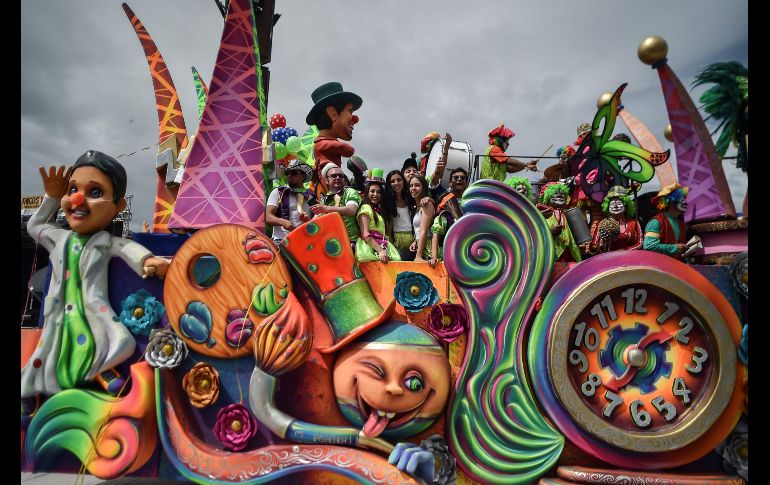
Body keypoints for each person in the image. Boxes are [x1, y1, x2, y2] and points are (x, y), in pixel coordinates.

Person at [22, 151, 170, 418]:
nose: (78, 199)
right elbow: (35, 226)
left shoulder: (104, 242)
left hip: (91, 309)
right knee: (49, 350)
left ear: (119, 205)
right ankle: (30, 391)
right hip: (58, 313)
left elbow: (128, 249)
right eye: (73, 189)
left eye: (95, 192)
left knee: (116, 341)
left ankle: (101, 375)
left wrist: (148, 261)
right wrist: (53, 197)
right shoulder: (58, 238)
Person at [305, 82, 362, 195]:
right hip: (326, 196)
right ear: (333, 113)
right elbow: (348, 150)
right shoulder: (321, 144)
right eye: (350, 111)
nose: (355, 119)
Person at [355, 169, 401, 263]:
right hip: (369, 249)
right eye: (372, 191)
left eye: (379, 192)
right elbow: (365, 234)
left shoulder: (379, 211)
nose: (375, 194)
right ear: (367, 193)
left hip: (382, 245)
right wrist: (380, 251)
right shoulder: (365, 208)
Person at [265, 159, 314, 243]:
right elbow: (268, 217)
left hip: (304, 241)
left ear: (303, 176)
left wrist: (310, 221)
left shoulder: (311, 195)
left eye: (294, 173)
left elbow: (319, 216)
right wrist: (282, 222)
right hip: (281, 241)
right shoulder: (279, 192)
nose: (289, 175)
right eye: (288, 172)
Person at [310, 164, 362, 244]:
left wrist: (326, 209)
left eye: (341, 176)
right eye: (334, 176)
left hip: (350, 241)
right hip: (331, 243)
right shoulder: (324, 199)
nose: (338, 178)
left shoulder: (350, 192)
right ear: (326, 180)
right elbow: (315, 220)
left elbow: (351, 210)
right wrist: (307, 220)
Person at [430, 167, 468, 267]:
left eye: (462, 178)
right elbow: (433, 183)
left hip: (466, 250)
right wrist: (437, 171)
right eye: (456, 178)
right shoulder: (444, 197)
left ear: (467, 183)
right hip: (447, 251)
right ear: (450, 183)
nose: (459, 179)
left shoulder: (473, 201)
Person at [588, 185, 643, 254]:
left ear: (625, 206)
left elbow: (640, 243)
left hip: (630, 260)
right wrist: (599, 245)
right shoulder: (603, 224)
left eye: (619, 203)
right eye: (612, 204)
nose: (615, 206)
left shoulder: (634, 223)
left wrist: (624, 251)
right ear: (608, 206)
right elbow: (594, 246)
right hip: (610, 261)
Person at [643, 184, 689, 259]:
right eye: (682, 200)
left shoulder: (682, 225)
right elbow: (649, 246)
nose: (686, 203)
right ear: (672, 201)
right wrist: (675, 248)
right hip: (660, 267)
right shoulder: (656, 221)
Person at [540, 181, 582, 262]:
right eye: (555, 193)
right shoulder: (541, 213)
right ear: (548, 197)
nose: (559, 195)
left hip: (570, 254)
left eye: (562, 193)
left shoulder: (571, 213)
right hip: (551, 255)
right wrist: (550, 232)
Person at [384, 170, 416, 261]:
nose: (396, 183)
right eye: (392, 181)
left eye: (399, 180)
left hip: (413, 240)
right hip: (397, 242)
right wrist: (389, 249)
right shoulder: (388, 201)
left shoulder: (411, 197)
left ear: (403, 181)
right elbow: (388, 229)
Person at [409, 174, 436, 263]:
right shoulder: (418, 206)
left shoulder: (426, 204)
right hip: (419, 247)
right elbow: (418, 230)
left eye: (417, 185)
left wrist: (418, 256)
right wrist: (415, 242)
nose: (413, 188)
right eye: (411, 185)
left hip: (427, 250)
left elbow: (424, 230)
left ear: (423, 187)